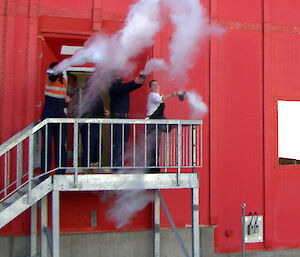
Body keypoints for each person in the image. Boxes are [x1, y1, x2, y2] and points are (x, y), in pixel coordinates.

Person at [40, 62, 71, 180]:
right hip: (48, 115)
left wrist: (66, 101)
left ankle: (61, 172)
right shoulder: (50, 77)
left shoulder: (63, 80)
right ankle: (44, 174)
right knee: (47, 146)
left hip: (60, 115)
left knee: (61, 145)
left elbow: (60, 102)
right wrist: (56, 70)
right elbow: (52, 75)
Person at [109, 73, 145, 168]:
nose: (120, 77)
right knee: (117, 144)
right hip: (117, 119)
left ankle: (119, 166)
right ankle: (116, 168)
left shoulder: (124, 87)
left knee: (123, 143)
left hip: (125, 119)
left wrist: (141, 79)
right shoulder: (113, 88)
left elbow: (133, 86)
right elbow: (125, 88)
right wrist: (134, 82)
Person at [146, 79, 179, 173]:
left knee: (155, 148)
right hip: (152, 125)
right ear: (150, 88)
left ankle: (154, 168)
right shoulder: (153, 95)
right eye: (153, 85)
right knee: (153, 148)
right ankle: (152, 169)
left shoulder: (155, 95)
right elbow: (161, 99)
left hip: (156, 126)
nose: (156, 86)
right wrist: (173, 94)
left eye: (157, 85)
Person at [79, 77, 109, 168]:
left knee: (96, 146)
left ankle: (93, 166)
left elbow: (95, 108)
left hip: (93, 123)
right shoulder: (90, 94)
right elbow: (91, 110)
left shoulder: (93, 94)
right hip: (89, 124)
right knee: (90, 147)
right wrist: (102, 113)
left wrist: (103, 112)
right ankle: (87, 167)